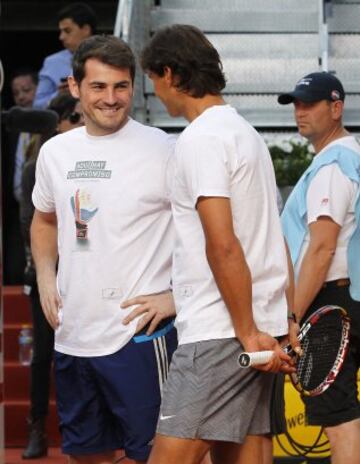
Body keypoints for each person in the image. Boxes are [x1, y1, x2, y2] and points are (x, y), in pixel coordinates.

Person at [139, 24, 295, 464]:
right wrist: (286, 317)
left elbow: (222, 245)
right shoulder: (245, 134)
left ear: (168, 73)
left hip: (222, 331)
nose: (156, 91)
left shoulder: (202, 139)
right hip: (255, 326)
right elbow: (274, 238)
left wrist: (247, 332)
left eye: (153, 80)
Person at [30, 35, 177, 464]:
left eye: (121, 86)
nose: (111, 99)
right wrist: (44, 276)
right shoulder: (55, 153)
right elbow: (43, 219)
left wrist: (175, 297)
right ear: (75, 88)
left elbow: (206, 233)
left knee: (158, 456)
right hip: (73, 334)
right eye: (98, 87)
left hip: (139, 337)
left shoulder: (165, 149)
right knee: (86, 455)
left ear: (134, 87)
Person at [279, 71, 360, 464]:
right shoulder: (349, 157)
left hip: (331, 299)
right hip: (345, 294)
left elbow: (321, 248)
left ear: (336, 107)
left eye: (309, 103)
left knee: (337, 414)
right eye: (296, 103)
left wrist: (292, 312)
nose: (300, 111)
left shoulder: (332, 165)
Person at [21, 93, 84, 459]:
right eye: (73, 117)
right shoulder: (39, 165)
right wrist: (43, 273)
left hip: (86, 272)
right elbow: (31, 223)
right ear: (58, 122)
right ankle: (36, 428)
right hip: (48, 274)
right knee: (43, 354)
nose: (79, 122)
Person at [2, 68, 38, 284]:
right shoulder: (10, 128)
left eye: (27, 90)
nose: (22, 96)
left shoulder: (50, 124)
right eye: (16, 93)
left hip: (44, 209)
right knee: (14, 269)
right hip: (16, 208)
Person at [33, 2, 96, 109]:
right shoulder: (52, 62)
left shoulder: (108, 58)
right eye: (61, 31)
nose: (61, 37)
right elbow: (37, 106)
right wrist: (59, 95)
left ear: (85, 29)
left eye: (67, 31)